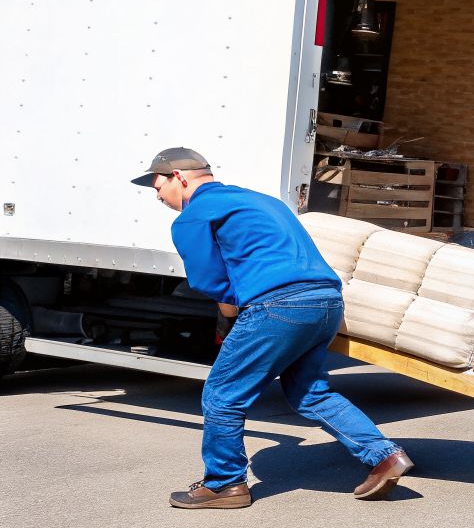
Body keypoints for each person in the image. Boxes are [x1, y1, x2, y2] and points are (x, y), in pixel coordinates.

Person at [134, 148, 412, 509]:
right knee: (311, 393)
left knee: (222, 395)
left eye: (158, 185)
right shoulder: (262, 201)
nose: (157, 195)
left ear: (180, 178)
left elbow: (210, 281)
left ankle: (224, 484)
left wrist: (228, 318)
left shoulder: (194, 215)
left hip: (277, 306)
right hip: (325, 301)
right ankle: (384, 456)